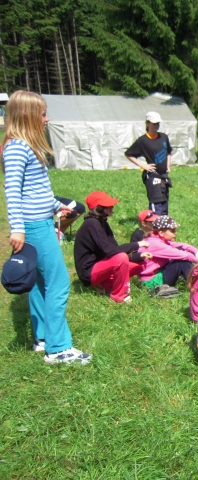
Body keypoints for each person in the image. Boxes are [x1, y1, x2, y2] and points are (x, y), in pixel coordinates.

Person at [1, 90, 91, 364]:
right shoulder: (17, 148)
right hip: (34, 227)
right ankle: (59, 348)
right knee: (58, 282)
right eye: (42, 114)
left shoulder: (27, 147)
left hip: (40, 221)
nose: (46, 119)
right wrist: (18, 228)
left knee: (41, 282)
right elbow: (12, 191)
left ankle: (42, 338)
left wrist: (55, 206)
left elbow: (36, 189)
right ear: (27, 116)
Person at [74, 191, 151, 303]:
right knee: (121, 258)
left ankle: (105, 285)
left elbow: (114, 248)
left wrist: (138, 256)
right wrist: (137, 244)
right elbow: (109, 251)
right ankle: (119, 296)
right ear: (99, 208)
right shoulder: (92, 224)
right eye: (108, 205)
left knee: (140, 265)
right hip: (89, 272)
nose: (112, 207)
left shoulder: (102, 222)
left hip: (102, 265)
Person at [137, 215, 198, 295]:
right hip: (152, 282)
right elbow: (185, 255)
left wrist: (197, 252)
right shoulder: (155, 244)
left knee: (180, 251)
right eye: (172, 231)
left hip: (158, 272)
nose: (175, 233)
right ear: (161, 233)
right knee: (181, 262)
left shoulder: (156, 238)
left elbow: (183, 246)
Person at [125, 112, 172, 215]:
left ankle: (162, 224)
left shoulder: (164, 137)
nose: (156, 125)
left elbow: (168, 152)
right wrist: (143, 165)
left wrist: (168, 166)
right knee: (156, 203)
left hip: (164, 175)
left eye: (158, 123)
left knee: (164, 202)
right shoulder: (143, 141)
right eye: (154, 123)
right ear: (147, 123)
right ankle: (153, 223)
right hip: (152, 176)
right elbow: (129, 154)